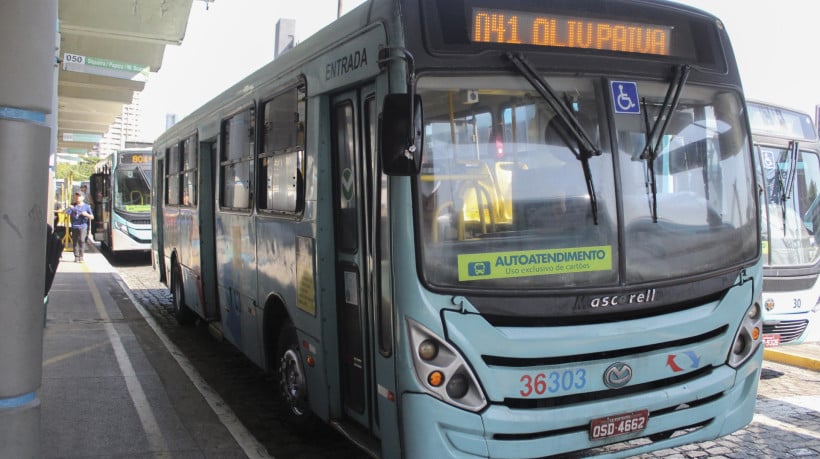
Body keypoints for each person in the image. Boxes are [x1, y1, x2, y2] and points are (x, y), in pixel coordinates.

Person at [65, 191, 94, 262]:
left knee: (82, 240)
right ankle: (76, 256)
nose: (77, 197)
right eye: (76, 196)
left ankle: (81, 256)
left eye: (79, 196)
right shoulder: (73, 205)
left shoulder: (86, 207)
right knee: (75, 241)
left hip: (83, 226)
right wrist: (68, 208)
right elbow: (66, 213)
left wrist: (86, 215)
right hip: (74, 226)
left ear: (83, 198)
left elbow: (92, 217)